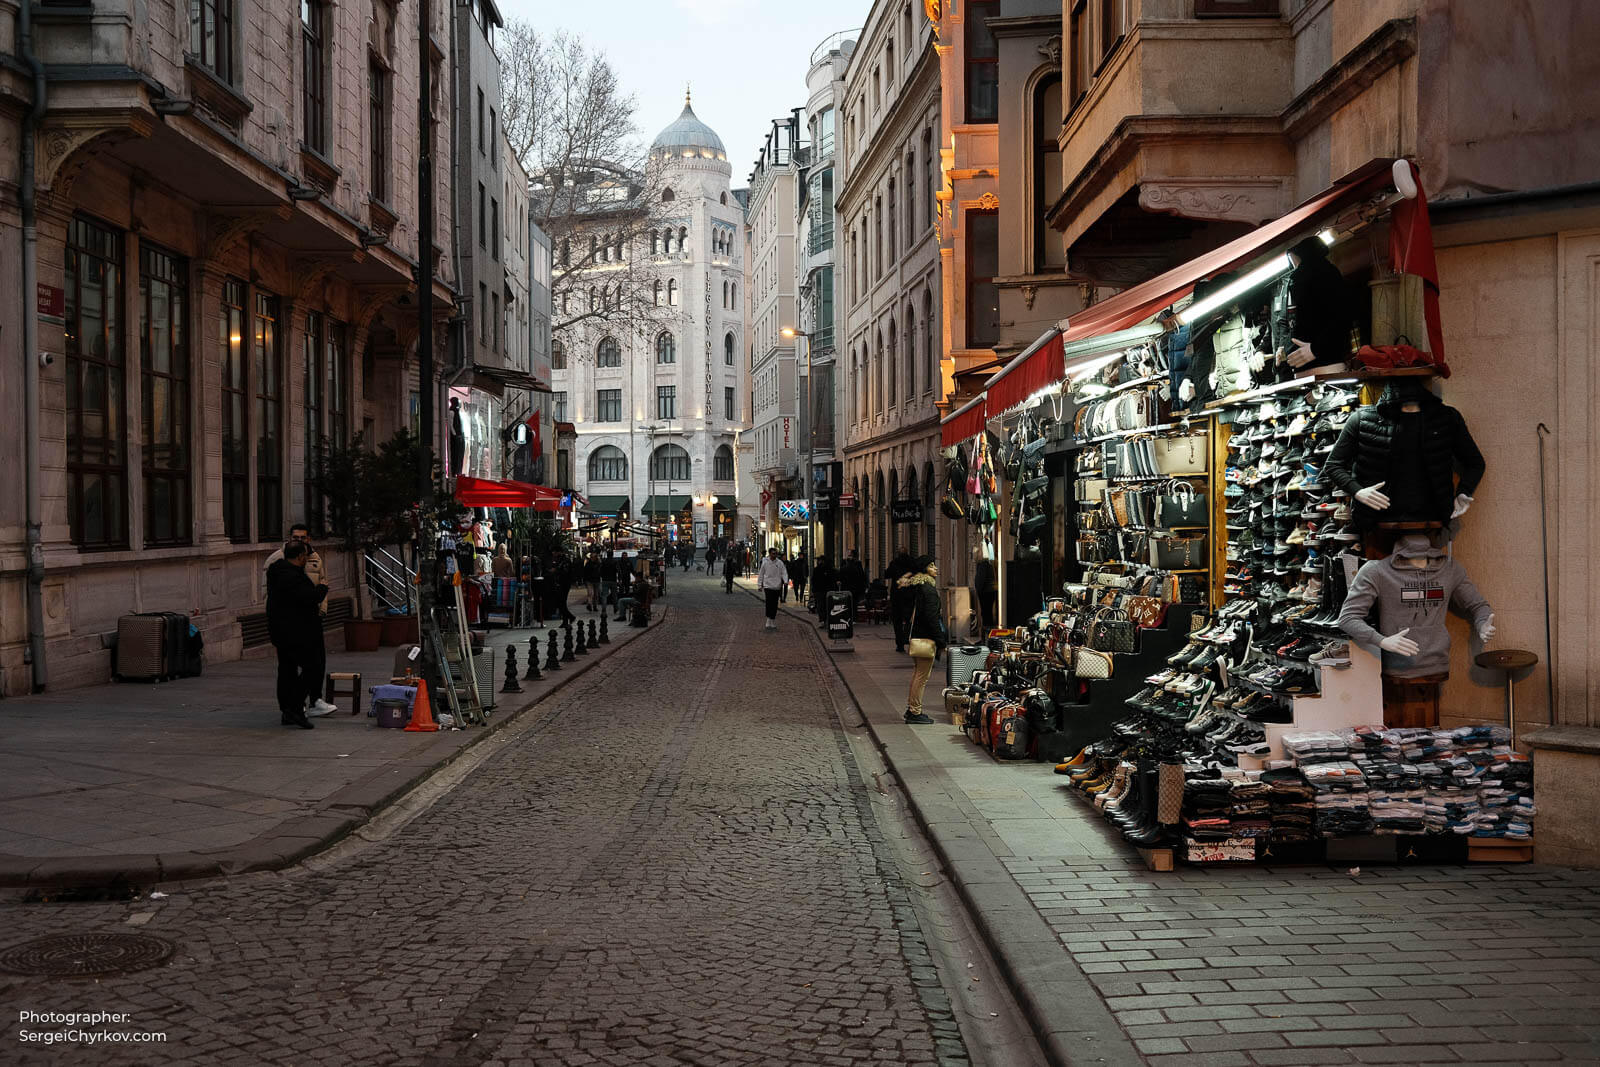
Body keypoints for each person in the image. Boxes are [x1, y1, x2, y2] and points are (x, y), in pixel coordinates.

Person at [263, 524, 335, 716]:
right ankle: (295, 704)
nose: (299, 541)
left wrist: (321, 608)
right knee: (298, 666)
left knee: (315, 662)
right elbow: (272, 592)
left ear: (308, 539)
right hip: (292, 623)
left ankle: (312, 700)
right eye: (296, 538)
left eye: (303, 538)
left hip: (310, 618)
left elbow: (322, 580)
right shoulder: (278, 561)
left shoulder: (315, 558)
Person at [902, 556, 947, 724]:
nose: (936, 568)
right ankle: (915, 711)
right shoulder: (928, 590)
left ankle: (912, 709)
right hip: (924, 638)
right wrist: (941, 640)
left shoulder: (919, 587)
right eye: (932, 566)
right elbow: (932, 618)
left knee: (918, 675)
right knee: (921, 677)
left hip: (917, 636)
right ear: (924, 570)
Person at [885, 552, 915, 653]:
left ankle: (900, 644)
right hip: (909, 596)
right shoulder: (912, 563)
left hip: (897, 596)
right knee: (909, 620)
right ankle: (909, 639)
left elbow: (886, 574)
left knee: (897, 621)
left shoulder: (894, 563)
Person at [756, 547, 789, 631]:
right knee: (769, 602)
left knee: (775, 604)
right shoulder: (765, 563)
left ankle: (772, 619)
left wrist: (785, 581)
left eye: (775, 554)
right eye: (773, 553)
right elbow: (761, 574)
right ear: (770, 554)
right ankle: (768, 619)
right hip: (768, 586)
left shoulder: (780, 563)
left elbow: (784, 572)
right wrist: (760, 585)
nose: (774, 555)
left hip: (777, 586)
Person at [839, 550, 868, 621]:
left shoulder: (854, 565)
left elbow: (841, 576)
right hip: (854, 588)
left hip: (849, 588)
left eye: (849, 555)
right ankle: (853, 618)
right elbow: (862, 576)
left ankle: (850, 617)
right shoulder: (857, 565)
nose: (848, 556)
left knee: (849, 603)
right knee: (853, 604)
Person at [549, 550, 577, 624]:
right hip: (560, 583)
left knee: (561, 602)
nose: (553, 554)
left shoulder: (564, 561)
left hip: (564, 584)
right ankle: (566, 621)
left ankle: (570, 617)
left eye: (554, 552)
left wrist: (555, 570)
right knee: (561, 603)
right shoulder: (559, 560)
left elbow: (565, 572)